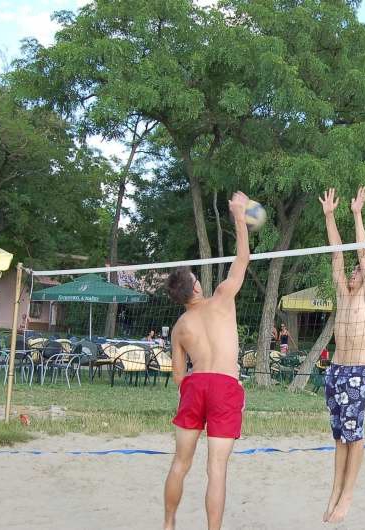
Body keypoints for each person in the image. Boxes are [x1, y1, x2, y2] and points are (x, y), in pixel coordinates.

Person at [162, 191, 251, 530]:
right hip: (224, 385)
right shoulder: (223, 298)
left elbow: (178, 375)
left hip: (195, 385)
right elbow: (242, 258)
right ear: (196, 288)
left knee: (180, 464)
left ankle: (168, 524)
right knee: (216, 470)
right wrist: (239, 216)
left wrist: (196, 389)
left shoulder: (179, 327)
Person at [320, 186, 365, 524]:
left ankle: (348, 496)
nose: (354, 272)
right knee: (339, 437)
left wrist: (357, 214)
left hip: (357, 371)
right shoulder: (343, 294)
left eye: (358, 271)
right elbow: (337, 255)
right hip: (336, 371)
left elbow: (361, 254)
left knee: (354, 437)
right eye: (353, 271)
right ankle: (335, 491)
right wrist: (329, 216)